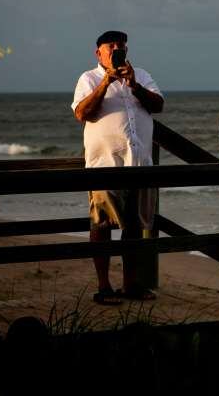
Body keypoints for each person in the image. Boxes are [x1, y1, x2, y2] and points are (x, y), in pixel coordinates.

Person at [72, 30, 164, 305]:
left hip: (139, 164)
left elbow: (158, 106)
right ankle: (104, 287)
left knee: (135, 227)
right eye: (110, 46)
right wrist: (107, 81)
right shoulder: (88, 78)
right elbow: (81, 113)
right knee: (102, 225)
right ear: (98, 52)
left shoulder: (142, 75)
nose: (117, 49)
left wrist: (134, 84)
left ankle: (131, 285)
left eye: (121, 45)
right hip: (105, 165)